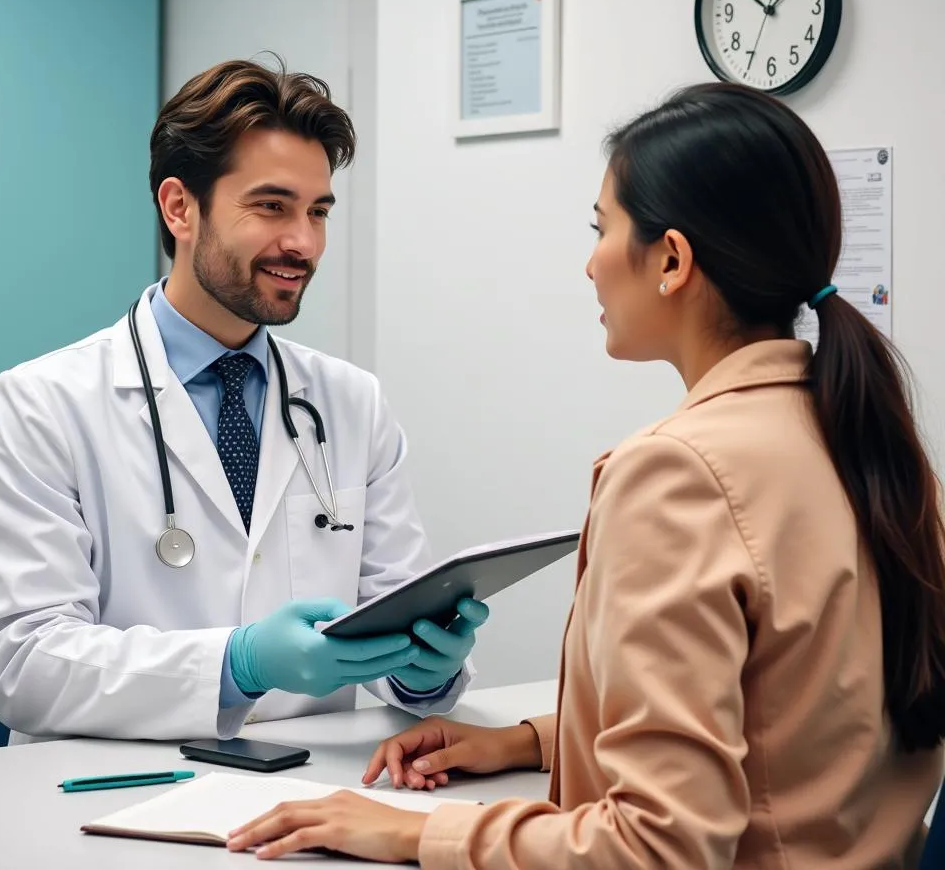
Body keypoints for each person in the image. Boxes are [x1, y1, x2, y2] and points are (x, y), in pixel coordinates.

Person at [226, 84, 945, 867]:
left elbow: (660, 845)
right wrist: (531, 742)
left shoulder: (679, 473)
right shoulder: (864, 436)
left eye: (602, 229)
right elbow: (794, 717)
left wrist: (410, 831)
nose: (591, 264)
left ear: (671, 260)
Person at [0, 58, 488, 743]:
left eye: (318, 212)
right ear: (180, 207)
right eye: (272, 206)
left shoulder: (351, 402)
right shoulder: (42, 403)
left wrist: (424, 671)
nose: (303, 242)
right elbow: (20, 661)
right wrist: (236, 664)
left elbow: (390, 611)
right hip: (109, 799)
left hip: (310, 791)